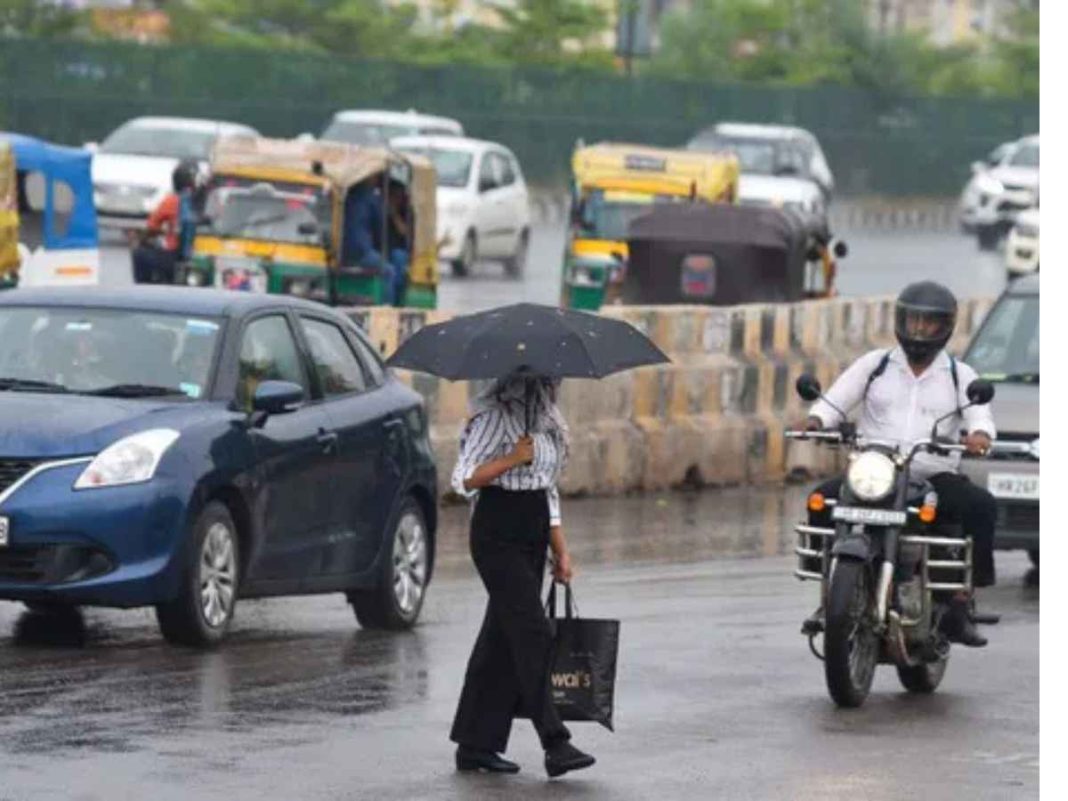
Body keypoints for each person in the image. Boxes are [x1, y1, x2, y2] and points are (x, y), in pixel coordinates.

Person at [803, 281, 998, 647]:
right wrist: (816, 421)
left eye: (929, 325)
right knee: (820, 500)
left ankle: (960, 601)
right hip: (875, 471)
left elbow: (980, 418)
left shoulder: (960, 375)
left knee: (981, 506)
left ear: (946, 328)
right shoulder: (875, 365)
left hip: (931, 473)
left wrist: (980, 438)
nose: (919, 331)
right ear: (900, 321)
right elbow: (833, 403)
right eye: (913, 322)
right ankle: (830, 596)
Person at [449, 373, 596, 779]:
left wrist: (561, 549)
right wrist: (511, 459)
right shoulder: (493, 417)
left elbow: (548, 490)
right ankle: (555, 741)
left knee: (500, 639)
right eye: (546, 379)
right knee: (533, 632)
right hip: (497, 534)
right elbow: (463, 479)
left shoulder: (549, 422)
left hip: (533, 531)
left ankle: (475, 745)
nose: (552, 386)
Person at [132, 161, 197, 284]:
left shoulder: (171, 201)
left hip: (174, 256)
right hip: (200, 253)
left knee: (139, 253)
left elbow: (151, 227)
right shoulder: (205, 200)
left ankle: (142, 289)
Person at [343, 179, 400, 305]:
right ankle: (387, 306)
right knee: (389, 271)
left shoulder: (347, 196)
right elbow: (381, 230)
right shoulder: (372, 199)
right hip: (361, 252)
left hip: (342, 252)